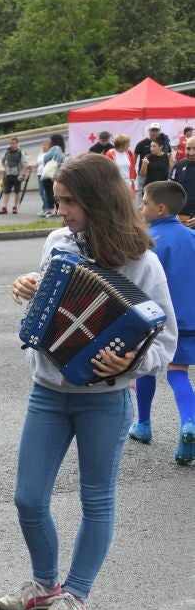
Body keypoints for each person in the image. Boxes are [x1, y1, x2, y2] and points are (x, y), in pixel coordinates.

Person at [2, 153, 176, 610]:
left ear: (97, 201)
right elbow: (48, 306)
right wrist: (28, 285)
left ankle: (75, 594)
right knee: (28, 498)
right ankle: (44, 585)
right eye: (57, 201)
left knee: (96, 498)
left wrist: (133, 363)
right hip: (47, 390)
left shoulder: (142, 260)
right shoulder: (59, 242)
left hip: (105, 398)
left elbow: (166, 339)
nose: (60, 212)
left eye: (68, 202)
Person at [130, 181, 195, 461]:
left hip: (158, 320)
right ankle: (189, 422)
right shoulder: (192, 236)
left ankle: (143, 424)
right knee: (178, 371)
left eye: (143, 202)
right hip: (190, 318)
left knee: (146, 368)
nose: (140, 207)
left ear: (160, 208)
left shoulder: (149, 243)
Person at [35, 133, 66, 217]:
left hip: (49, 174)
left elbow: (45, 158)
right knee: (56, 193)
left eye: (50, 140)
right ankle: (56, 210)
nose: (49, 141)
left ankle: (51, 210)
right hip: (56, 173)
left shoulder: (54, 148)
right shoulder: (62, 149)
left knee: (49, 192)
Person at [0, 136, 26, 215]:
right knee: (6, 191)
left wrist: (23, 174)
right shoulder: (7, 152)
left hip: (17, 175)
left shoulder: (21, 153)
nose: (12, 145)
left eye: (13, 144)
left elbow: (25, 165)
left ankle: (15, 207)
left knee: (17, 191)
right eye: (10, 143)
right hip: (8, 175)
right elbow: (2, 161)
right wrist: (5, 168)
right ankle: (4, 207)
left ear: (17, 144)